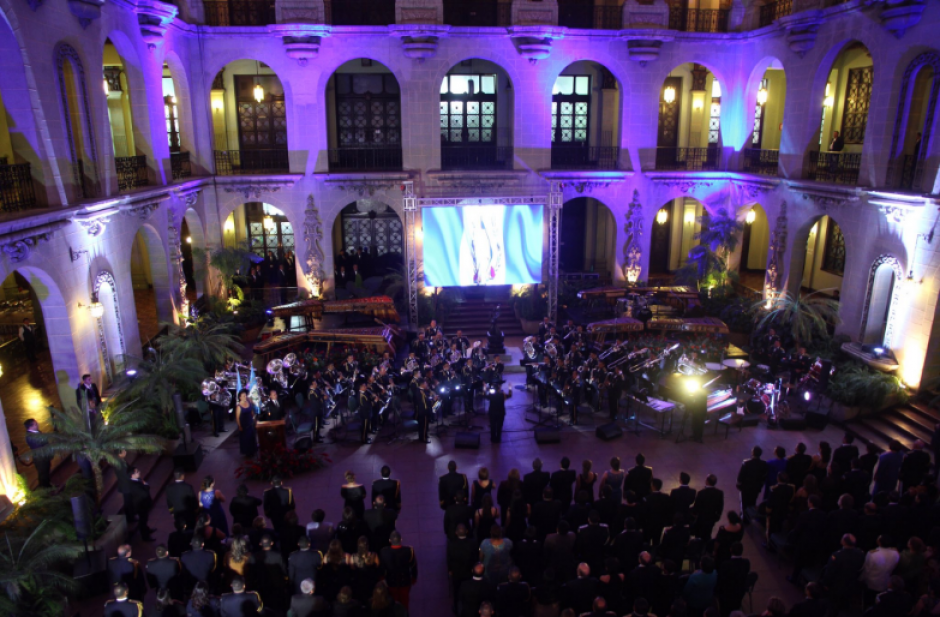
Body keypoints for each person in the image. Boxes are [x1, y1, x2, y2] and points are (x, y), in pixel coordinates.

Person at [379, 530, 418, 609]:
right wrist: (414, 578)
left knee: (393, 603)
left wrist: (382, 579)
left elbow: (381, 568)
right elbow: (413, 566)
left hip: (391, 582)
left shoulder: (384, 552)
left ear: (390, 540)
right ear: (401, 539)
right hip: (405, 582)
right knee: (405, 603)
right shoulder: (409, 551)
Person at [860, 535, 900, 605]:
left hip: (872, 584)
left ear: (879, 542)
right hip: (886, 582)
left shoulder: (872, 554)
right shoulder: (895, 553)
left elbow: (867, 570)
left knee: (869, 603)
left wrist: (861, 579)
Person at [736, 446, 769, 522]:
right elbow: (764, 476)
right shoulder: (764, 464)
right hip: (756, 487)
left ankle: (744, 517)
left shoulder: (746, 463)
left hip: (746, 487)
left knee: (744, 502)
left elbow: (741, 476)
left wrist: (739, 484)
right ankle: (750, 516)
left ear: (753, 453)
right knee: (752, 501)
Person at [692, 474, 724, 540]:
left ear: (707, 481)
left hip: (701, 518)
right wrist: (717, 516)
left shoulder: (701, 493)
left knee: (698, 533)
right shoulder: (719, 493)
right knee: (708, 532)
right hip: (711, 518)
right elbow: (720, 506)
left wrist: (694, 514)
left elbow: (696, 506)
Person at [128, 466, 155, 542]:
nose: (139, 472)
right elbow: (144, 494)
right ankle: (145, 537)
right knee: (143, 521)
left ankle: (147, 530)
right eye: (137, 472)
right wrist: (146, 485)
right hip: (140, 506)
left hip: (143, 504)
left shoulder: (138, 480)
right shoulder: (133, 485)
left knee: (145, 519)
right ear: (132, 475)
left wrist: (146, 485)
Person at [23, 418, 51, 488]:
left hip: (44, 456)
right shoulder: (30, 436)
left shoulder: (37, 432)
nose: (37, 424)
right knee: (42, 473)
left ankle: (48, 485)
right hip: (40, 458)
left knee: (46, 470)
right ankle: (45, 488)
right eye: (35, 424)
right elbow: (39, 446)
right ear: (31, 427)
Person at [236, 389, 258, 458]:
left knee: (251, 438)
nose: (245, 397)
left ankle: (252, 451)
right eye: (243, 396)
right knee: (246, 439)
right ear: (240, 397)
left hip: (250, 424)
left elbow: (252, 412)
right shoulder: (239, 406)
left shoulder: (249, 403)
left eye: (245, 395)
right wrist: (239, 426)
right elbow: (237, 418)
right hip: (244, 425)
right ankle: (247, 453)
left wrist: (254, 420)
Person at [414, 378, 432, 444]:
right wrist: (430, 398)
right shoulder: (419, 391)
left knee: (425, 424)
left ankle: (425, 435)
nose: (426, 384)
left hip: (425, 410)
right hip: (423, 411)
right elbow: (424, 401)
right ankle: (423, 438)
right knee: (423, 425)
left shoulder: (423, 390)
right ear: (422, 384)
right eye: (425, 383)